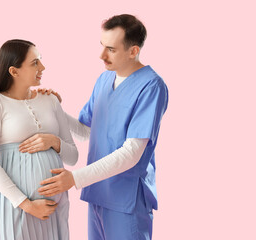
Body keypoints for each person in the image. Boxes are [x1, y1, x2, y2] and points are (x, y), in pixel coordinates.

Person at [32, 14, 169, 240]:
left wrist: (75, 178)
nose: (102, 55)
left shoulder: (151, 86)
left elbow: (132, 153)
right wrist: (53, 107)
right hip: (97, 194)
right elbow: (86, 131)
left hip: (126, 201)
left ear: (133, 51)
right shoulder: (104, 80)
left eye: (111, 49)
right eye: (102, 46)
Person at [0, 39, 78, 240]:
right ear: (14, 71)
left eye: (40, 60)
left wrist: (54, 142)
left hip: (53, 211)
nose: (43, 67)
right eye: (35, 63)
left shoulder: (50, 99)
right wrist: (27, 204)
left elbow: (73, 157)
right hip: (12, 206)